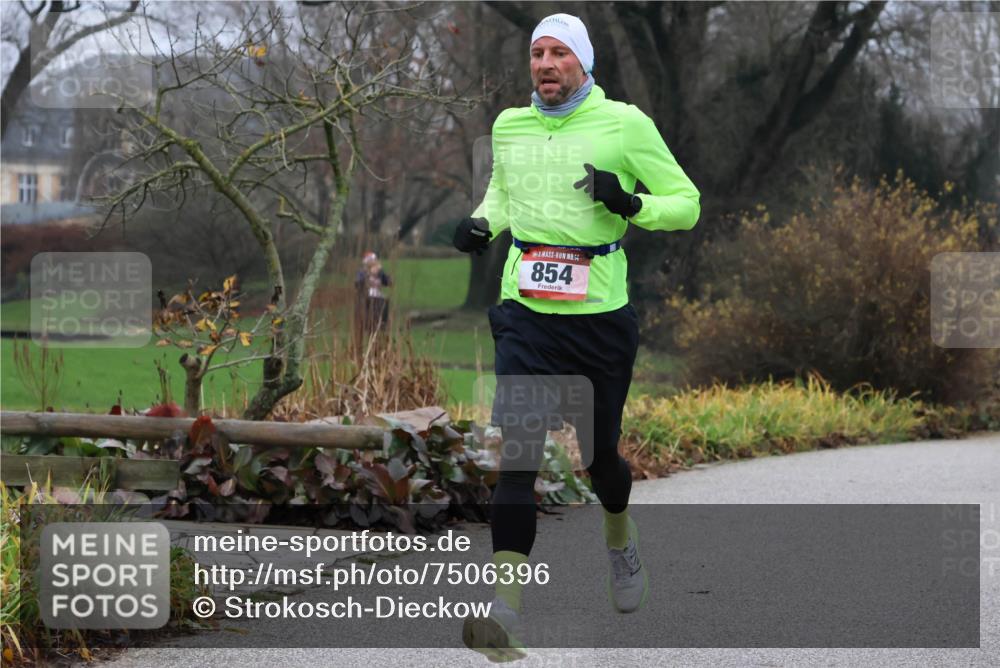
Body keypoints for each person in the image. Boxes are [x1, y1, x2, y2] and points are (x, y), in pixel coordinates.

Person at [453, 12, 701, 661]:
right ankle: (504, 613)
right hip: (526, 312)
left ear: (583, 62)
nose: (545, 64)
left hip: (599, 318)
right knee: (518, 456)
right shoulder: (510, 126)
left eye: (559, 52)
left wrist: (631, 204)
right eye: (537, 52)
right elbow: (503, 195)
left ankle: (619, 536)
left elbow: (687, 204)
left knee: (600, 460)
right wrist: (481, 225)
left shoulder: (625, 125)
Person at [354, 251, 391, 337]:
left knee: (384, 303)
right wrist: (369, 274)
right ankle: (367, 326)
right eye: (373, 260)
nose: (375, 262)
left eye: (375, 260)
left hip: (378, 297)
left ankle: (381, 325)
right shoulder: (362, 272)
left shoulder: (380, 272)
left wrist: (382, 273)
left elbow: (388, 282)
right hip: (366, 297)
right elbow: (358, 283)